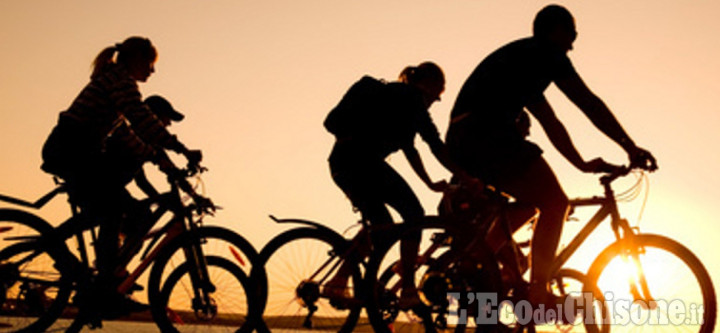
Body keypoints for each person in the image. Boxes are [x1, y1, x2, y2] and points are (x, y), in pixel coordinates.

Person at [445, 4, 657, 308]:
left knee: (532, 204)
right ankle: (538, 293)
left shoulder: (524, 63)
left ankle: (477, 258)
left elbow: (551, 123)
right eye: (571, 31)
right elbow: (588, 103)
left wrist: (581, 163)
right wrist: (630, 146)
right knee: (556, 202)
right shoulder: (547, 54)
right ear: (554, 31)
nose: (574, 41)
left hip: (465, 138)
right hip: (485, 135)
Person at [40, 37, 199, 315]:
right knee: (112, 208)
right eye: (150, 64)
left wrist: (159, 155)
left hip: (77, 150)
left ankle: (102, 282)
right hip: (70, 150)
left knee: (109, 209)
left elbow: (128, 134)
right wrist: (178, 146)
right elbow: (141, 118)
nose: (152, 71)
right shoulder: (121, 81)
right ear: (136, 59)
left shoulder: (116, 83)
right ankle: (100, 280)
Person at [323, 62, 476, 308]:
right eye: (438, 95)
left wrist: (428, 183)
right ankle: (408, 289)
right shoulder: (413, 101)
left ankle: (338, 281)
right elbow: (435, 145)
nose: (435, 101)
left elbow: (410, 148)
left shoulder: (394, 97)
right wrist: (466, 177)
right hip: (363, 165)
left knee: (380, 226)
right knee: (413, 215)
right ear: (429, 86)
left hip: (341, 164)